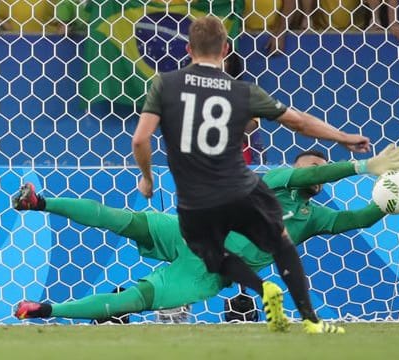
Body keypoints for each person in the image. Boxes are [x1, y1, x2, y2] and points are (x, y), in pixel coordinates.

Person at [13, 146, 399, 329]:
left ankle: (44, 309)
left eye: (319, 166)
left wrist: (389, 202)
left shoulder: (314, 217)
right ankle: (39, 202)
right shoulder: (277, 180)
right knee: (121, 219)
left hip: (208, 270)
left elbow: (354, 219)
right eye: (310, 164)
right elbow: (313, 173)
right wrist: (359, 167)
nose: (314, 172)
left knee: (136, 299)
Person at [132, 16, 370, 334]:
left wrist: (147, 178)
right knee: (281, 243)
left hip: (195, 198)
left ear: (188, 49)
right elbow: (299, 123)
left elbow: (140, 139)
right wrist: (343, 137)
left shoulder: (165, 84)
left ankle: (260, 288)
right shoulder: (243, 91)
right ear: (226, 49)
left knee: (213, 256)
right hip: (239, 188)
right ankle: (311, 320)